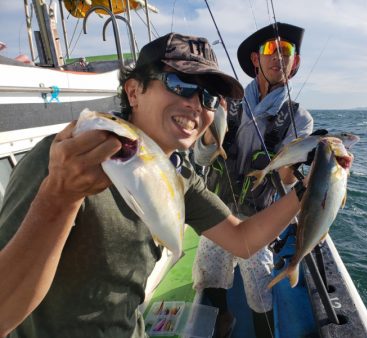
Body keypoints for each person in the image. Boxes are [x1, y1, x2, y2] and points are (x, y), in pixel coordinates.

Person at [0, 32, 308, 338]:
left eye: (208, 96)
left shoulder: (179, 177)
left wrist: (310, 188)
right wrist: (60, 196)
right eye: (179, 83)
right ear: (133, 91)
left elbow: (242, 240)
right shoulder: (62, 160)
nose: (195, 105)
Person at [192, 22, 313, 338]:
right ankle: (223, 319)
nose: (279, 58)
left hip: (260, 217)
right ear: (256, 59)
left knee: (259, 288)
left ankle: (263, 333)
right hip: (217, 209)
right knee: (208, 274)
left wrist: (298, 172)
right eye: (272, 49)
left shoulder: (299, 118)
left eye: (286, 52)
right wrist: (207, 132)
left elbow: (288, 180)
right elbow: (201, 160)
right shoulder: (226, 103)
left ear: (295, 63)